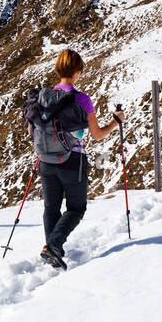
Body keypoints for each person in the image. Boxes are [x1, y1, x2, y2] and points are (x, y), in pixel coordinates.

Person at [39, 48, 124, 269]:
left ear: (58, 70)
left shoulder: (42, 98)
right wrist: (115, 122)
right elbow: (96, 135)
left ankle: (52, 251)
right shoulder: (81, 100)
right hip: (72, 161)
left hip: (46, 160)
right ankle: (53, 247)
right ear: (77, 72)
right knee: (76, 208)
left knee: (51, 208)